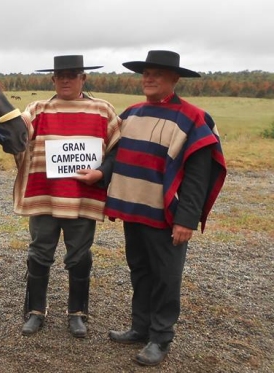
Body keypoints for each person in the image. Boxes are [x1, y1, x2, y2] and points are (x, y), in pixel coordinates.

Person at [103, 50, 227, 366]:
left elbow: (198, 177)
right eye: (146, 72)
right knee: (140, 271)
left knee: (166, 277)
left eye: (157, 73)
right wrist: (100, 174)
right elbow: (116, 157)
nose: (149, 78)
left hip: (166, 217)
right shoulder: (131, 113)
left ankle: (160, 338)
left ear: (174, 79)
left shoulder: (192, 118)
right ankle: (140, 327)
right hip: (135, 210)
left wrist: (186, 219)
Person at [13, 55, 121, 338]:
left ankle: (77, 313)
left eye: (72, 75)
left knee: (80, 257)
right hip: (44, 197)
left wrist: (101, 173)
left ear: (83, 79)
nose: (65, 80)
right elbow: (15, 132)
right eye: (60, 75)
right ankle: (35, 311)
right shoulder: (37, 109)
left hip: (82, 198)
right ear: (52, 80)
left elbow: (118, 149)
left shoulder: (102, 110)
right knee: (38, 255)